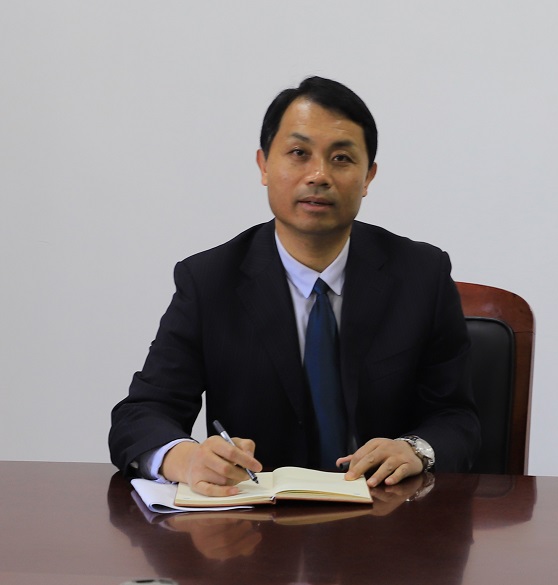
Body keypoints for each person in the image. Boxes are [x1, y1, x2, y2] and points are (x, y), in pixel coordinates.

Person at [109, 76, 480, 497]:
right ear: (264, 166)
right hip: (257, 521)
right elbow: (141, 414)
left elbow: (458, 419)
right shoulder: (210, 281)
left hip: (385, 514)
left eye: (341, 158)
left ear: (368, 177)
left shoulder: (421, 275)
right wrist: (185, 458)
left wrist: (415, 449)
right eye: (299, 154)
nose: (318, 175)